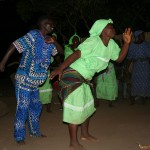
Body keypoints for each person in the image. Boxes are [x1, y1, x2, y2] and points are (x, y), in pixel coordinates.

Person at [50, 19, 132, 150]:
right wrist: (60, 68)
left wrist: (127, 43)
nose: (113, 29)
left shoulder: (111, 45)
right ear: (102, 30)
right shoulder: (93, 41)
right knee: (75, 109)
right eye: (110, 27)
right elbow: (77, 53)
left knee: (88, 106)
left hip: (85, 78)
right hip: (74, 75)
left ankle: (85, 134)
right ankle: (73, 142)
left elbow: (119, 59)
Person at [0, 15, 63, 145]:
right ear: (43, 24)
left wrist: (54, 41)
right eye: (50, 24)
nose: (52, 27)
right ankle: (19, 136)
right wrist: (3, 62)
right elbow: (15, 45)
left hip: (35, 83)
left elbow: (60, 52)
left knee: (36, 106)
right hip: (24, 79)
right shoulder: (33, 36)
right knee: (22, 107)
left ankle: (34, 131)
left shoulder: (49, 41)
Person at [126, 30, 150, 105]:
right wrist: (126, 68)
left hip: (146, 66)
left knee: (145, 82)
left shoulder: (147, 44)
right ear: (137, 36)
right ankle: (132, 99)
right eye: (142, 35)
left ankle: (143, 99)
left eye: (143, 35)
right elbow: (129, 58)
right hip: (137, 66)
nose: (144, 36)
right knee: (134, 82)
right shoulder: (132, 46)